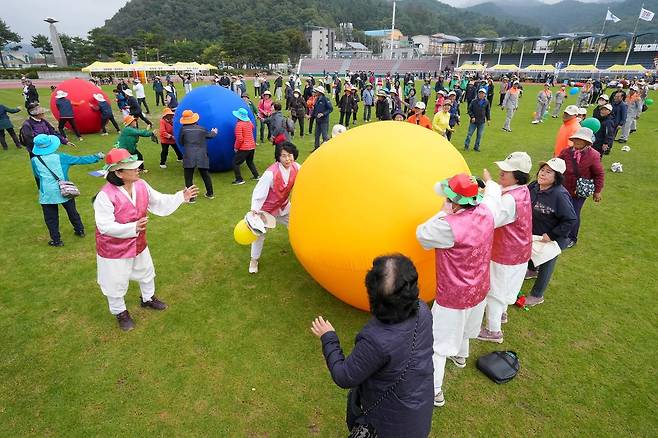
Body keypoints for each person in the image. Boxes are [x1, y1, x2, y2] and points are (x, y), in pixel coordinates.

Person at [310, 254, 433, 438]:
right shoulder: (423, 310)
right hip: (418, 408)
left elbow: (344, 376)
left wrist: (328, 338)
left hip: (388, 424)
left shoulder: (376, 339)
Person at [416, 172, 502, 407]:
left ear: (454, 202)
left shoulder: (448, 227)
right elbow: (493, 195)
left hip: (454, 293)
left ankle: (434, 390)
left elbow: (421, 234)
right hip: (479, 287)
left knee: (437, 343)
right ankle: (461, 355)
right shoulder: (487, 211)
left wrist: (442, 213)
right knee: (466, 328)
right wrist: (490, 182)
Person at [93, 148, 199, 331]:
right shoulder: (105, 196)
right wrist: (132, 228)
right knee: (115, 281)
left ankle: (148, 299)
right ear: (118, 173)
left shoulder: (141, 185)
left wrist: (181, 196)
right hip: (113, 249)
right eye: (132, 167)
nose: (138, 169)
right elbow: (104, 226)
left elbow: (158, 201)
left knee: (146, 271)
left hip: (138, 243)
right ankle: (120, 312)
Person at [477, 153, 533, 343]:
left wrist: (488, 188)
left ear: (517, 175)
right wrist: (490, 187)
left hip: (505, 252)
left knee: (495, 290)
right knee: (506, 286)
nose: (502, 172)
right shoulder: (521, 190)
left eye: (507, 171)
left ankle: (493, 331)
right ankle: (501, 314)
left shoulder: (510, 199)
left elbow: (490, 218)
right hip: (519, 250)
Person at [31, 134, 103, 246]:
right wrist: (97, 156)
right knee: (72, 211)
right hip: (65, 189)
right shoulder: (61, 157)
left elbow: (37, 175)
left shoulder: (35, 160)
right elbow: (80, 160)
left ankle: (56, 240)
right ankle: (80, 230)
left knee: (51, 218)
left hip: (47, 193)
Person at [524, 158, 577, 306]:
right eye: (542, 170)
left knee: (547, 262)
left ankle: (537, 295)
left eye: (548, 172)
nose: (543, 174)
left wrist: (552, 235)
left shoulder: (560, 195)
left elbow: (571, 220)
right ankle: (532, 270)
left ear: (557, 177)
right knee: (530, 252)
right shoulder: (534, 186)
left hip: (554, 238)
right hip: (536, 233)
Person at [248, 142, 300, 274]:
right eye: (283, 156)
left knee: (297, 225)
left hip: (284, 207)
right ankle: (254, 260)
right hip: (266, 210)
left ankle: (301, 250)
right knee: (259, 235)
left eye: (289, 155)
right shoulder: (270, 174)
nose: (287, 159)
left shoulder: (297, 167)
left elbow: (308, 175)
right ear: (278, 157)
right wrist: (255, 211)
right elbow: (259, 193)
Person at [558, 127, 604, 247]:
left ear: (587, 142)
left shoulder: (593, 155)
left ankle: (572, 237)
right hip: (564, 188)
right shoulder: (566, 152)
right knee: (561, 211)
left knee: (573, 214)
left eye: (581, 140)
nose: (577, 141)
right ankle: (559, 233)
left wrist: (597, 191)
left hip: (579, 191)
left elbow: (599, 174)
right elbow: (557, 166)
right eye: (576, 139)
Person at [177, 109, 217, 201]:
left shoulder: (183, 129)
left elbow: (180, 142)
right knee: (205, 175)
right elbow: (210, 135)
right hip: (201, 155)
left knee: (188, 177)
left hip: (189, 155)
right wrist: (214, 132)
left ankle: (191, 198)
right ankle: (210, 193)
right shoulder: (201, 129)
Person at [232, 107, 259, 185]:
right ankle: (256, 175)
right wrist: (248, 120)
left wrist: (236, 147)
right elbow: (253, 127)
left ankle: (239, 179)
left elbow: (240, 139)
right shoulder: (249, 123)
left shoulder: (239, 125)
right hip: (252, 146)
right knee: (250, 161)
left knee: (235, 163)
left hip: (245, 147)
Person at [310, 86, 332, 150]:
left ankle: (327, 149)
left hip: (324, 121)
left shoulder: (326, 99)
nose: (315, 92)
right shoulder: (317, 99)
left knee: (324, 136)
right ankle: (316, 148)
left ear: (320, 92)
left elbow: (330, 109)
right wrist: (311, 116)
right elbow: (315, 110)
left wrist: (323, 114)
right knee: (316, 135)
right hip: (318, 121)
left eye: (317, 91)